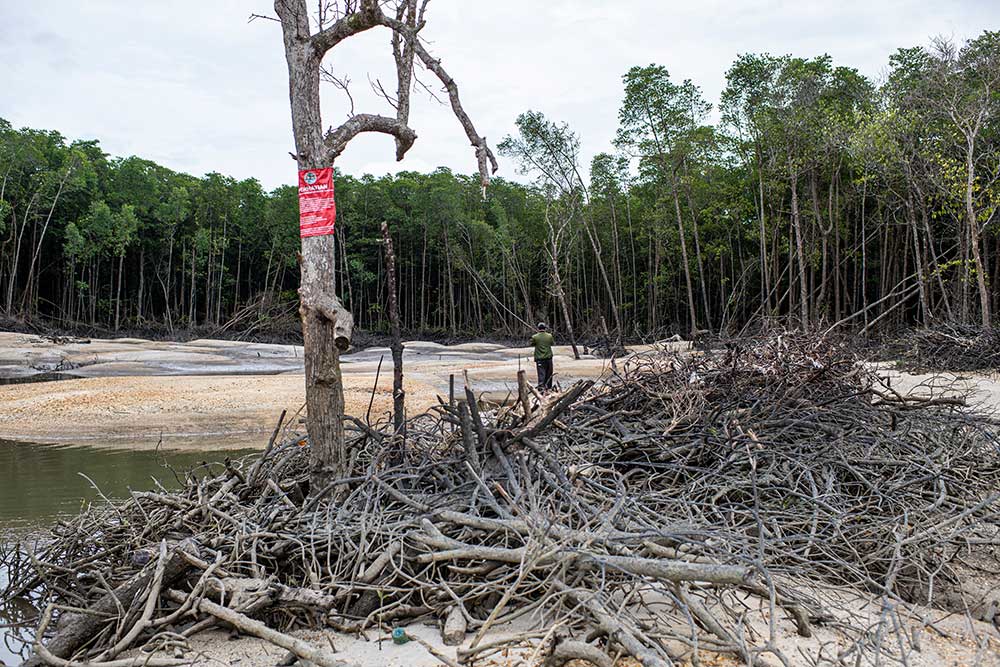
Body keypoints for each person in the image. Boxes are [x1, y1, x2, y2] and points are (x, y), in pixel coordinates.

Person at [530, 322, 555, 391]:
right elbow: (552, 343)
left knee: (541, 374)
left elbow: (532, 344)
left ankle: (541, 389)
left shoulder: (535, 337)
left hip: (540, 359)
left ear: (538, 328)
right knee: (549, 374)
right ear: (545, 328)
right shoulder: (549, 336)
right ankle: (549, 389)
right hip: (549, 358)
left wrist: (536, 337)